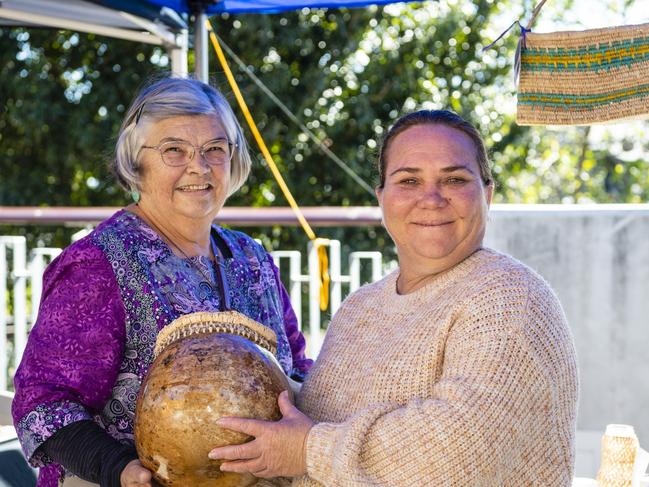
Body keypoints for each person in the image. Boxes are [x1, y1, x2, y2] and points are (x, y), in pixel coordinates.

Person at [209, 110, 580, 486]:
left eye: (454, 179)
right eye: (409, 181)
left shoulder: (510, 297)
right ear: (382, 198)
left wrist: (308, 449)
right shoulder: (360, 308)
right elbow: (309, 426)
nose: (431, 198)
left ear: (487, 194)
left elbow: (457, 455)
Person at [11, 76, 312, 487]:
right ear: (137, 161)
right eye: (174, 150)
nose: (199, 167)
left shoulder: (252, 259)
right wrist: (117, 468)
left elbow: (296, 366)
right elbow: (43, 403)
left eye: (215, 149)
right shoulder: (96, 265)